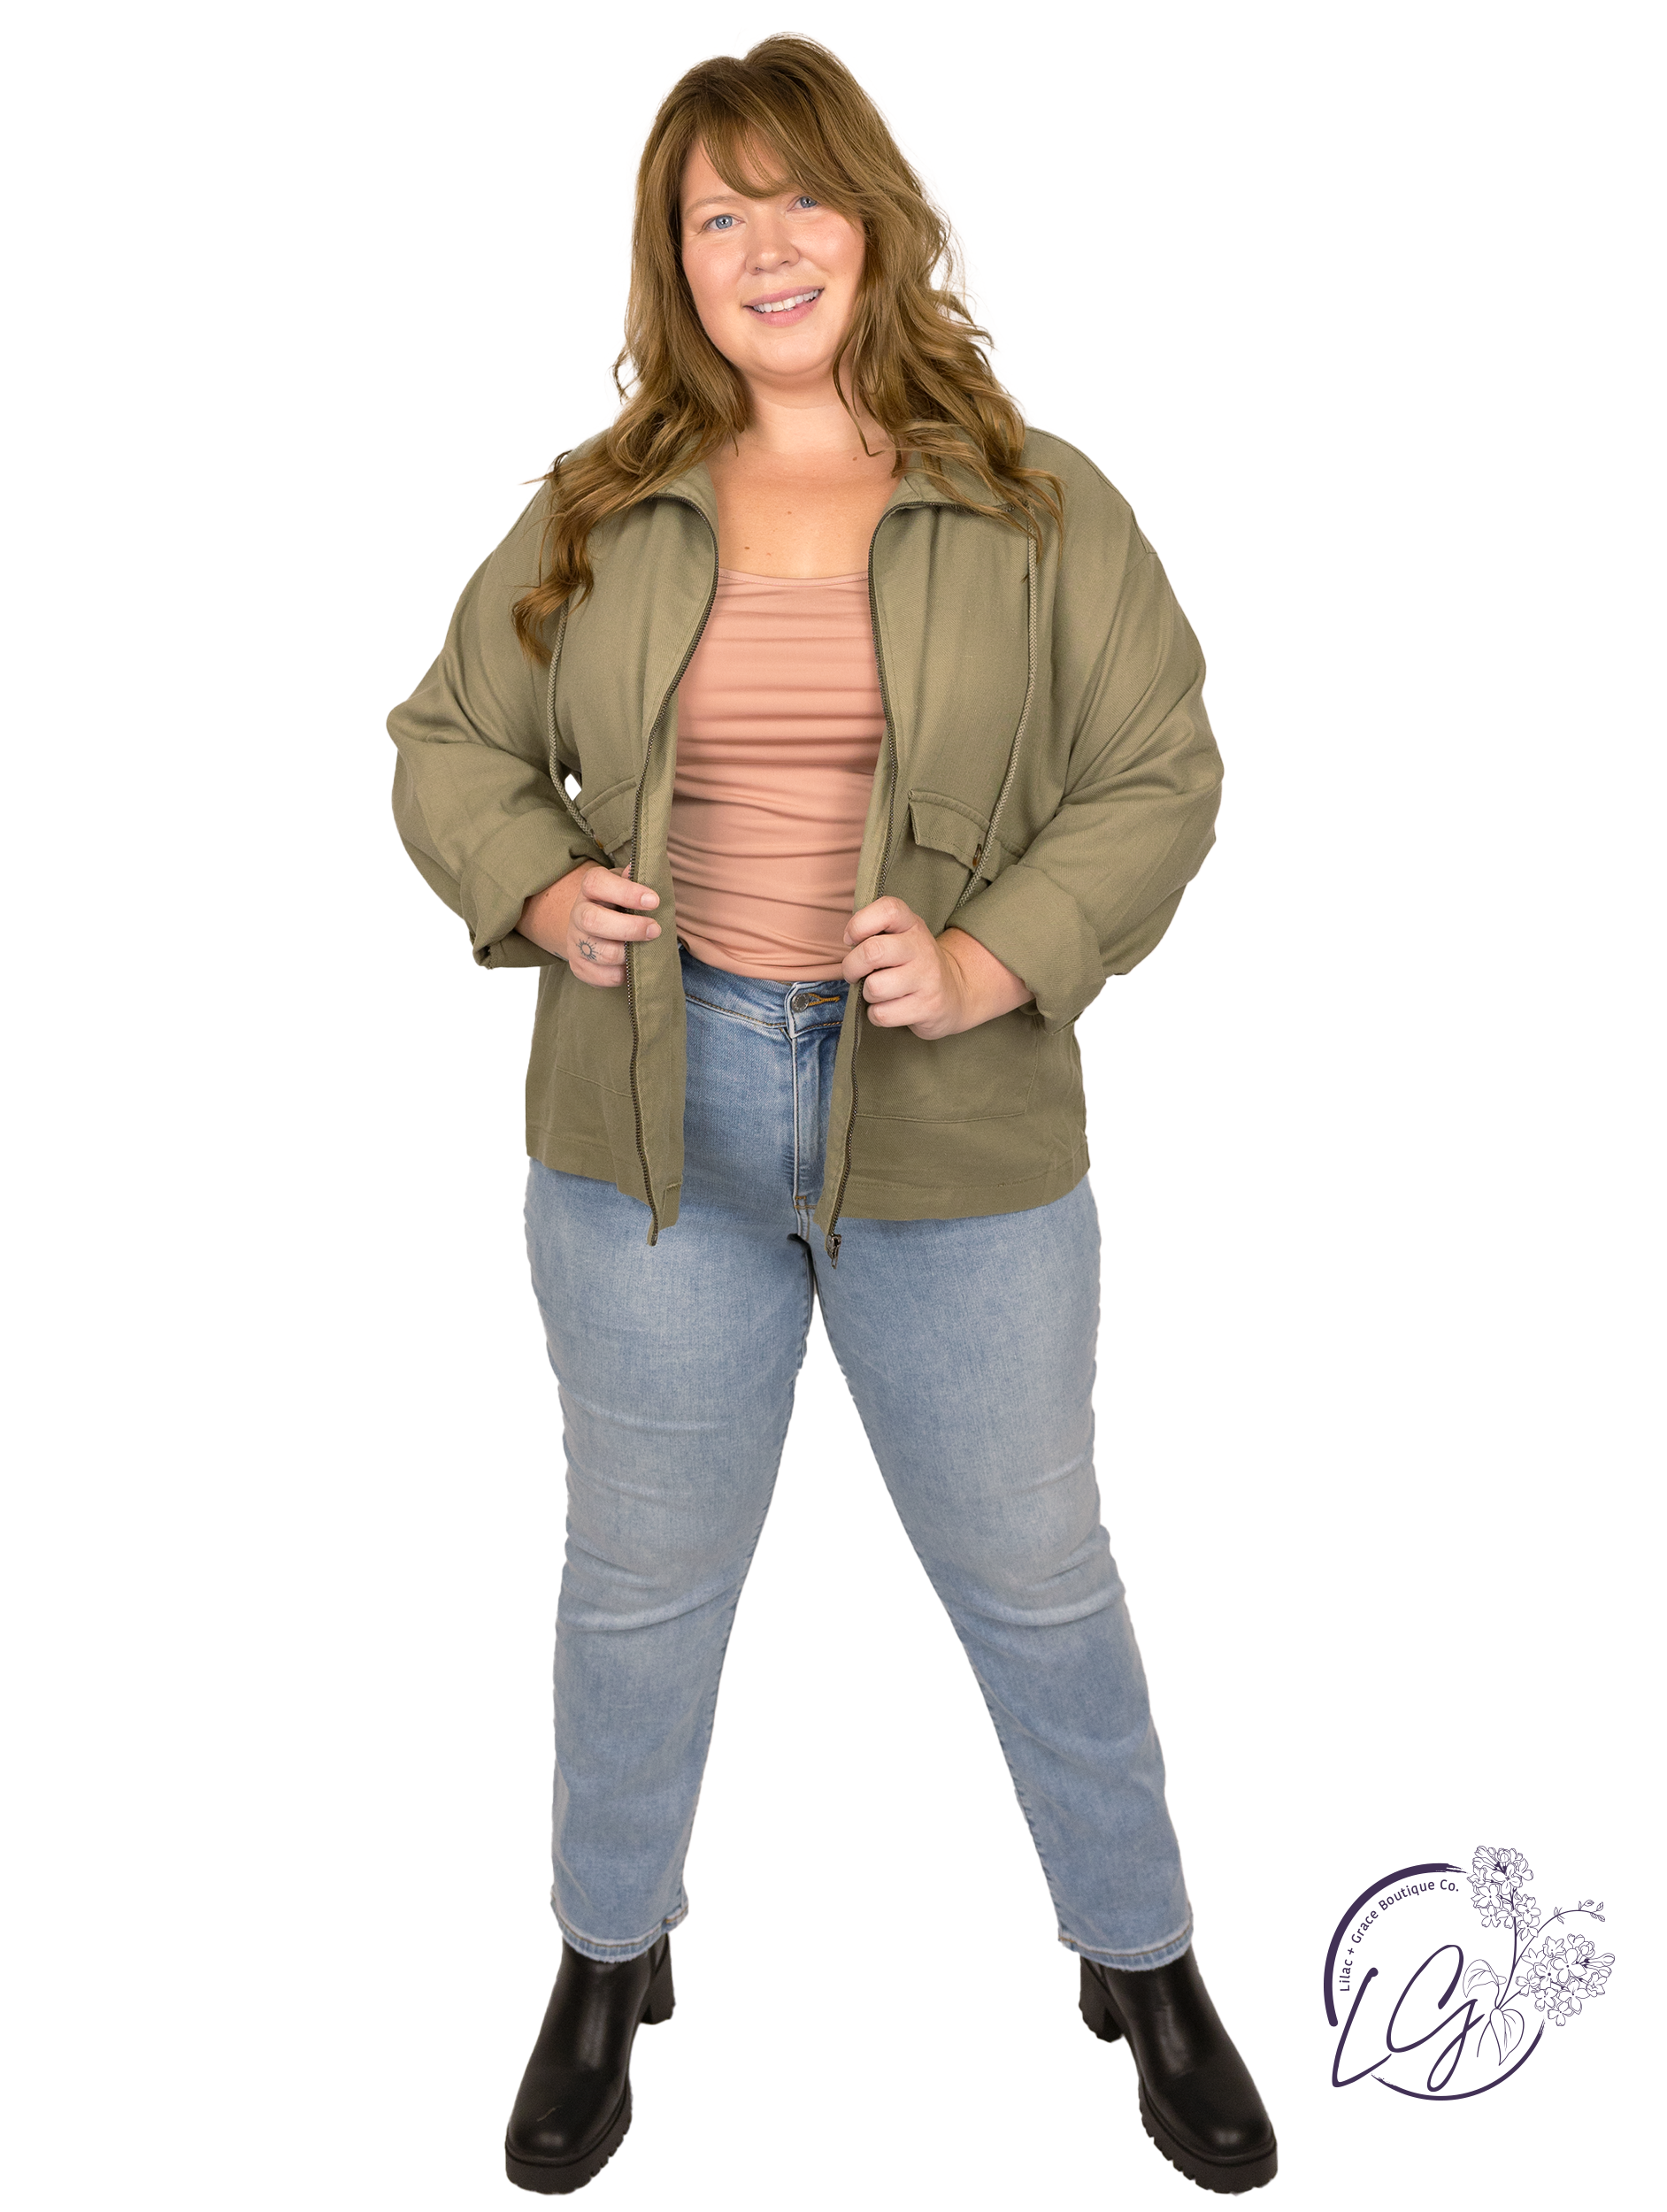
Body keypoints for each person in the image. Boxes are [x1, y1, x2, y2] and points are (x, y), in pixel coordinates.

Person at [388, 35, 1275, 2198]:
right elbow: (451, 737)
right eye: (718, 213)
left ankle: (1144, 1955)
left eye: (799, 197)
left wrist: (992, 957)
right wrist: (537, 882)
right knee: (640, 1580)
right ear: (675, 260)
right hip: (650, 1127)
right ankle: (610, 1951)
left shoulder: (1037, 501)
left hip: (958, 1136)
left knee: (1037, 1571)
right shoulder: (598, 507)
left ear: (871, 223)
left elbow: (1161, 769)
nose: (765, 244)